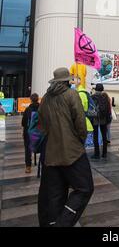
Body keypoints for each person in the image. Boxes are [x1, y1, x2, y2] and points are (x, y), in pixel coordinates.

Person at [38, 67, 94, 227]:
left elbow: (41, 125)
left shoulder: (45, 98)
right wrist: (79, 141)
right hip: (72, 153)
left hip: (50, 153)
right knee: (85, 188)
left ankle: (54, 222)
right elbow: (81, 124)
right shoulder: (71, 94)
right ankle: (63, 222)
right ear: (66, 81)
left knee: (56, 194)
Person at [91, 84, 111, 159]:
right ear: (102, 89)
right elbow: (108, 109)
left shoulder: (92, 97)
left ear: (96, 89)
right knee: (104, 136)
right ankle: (104, 153)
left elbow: (91, 108)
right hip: (104, 119)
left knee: (95, 136)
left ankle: (97, 154)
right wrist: (108, 119)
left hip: (95, 118)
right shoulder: (105, 97)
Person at [21, 93, 40, 174]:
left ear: (31, 100)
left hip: (29, 133)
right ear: (38, 99)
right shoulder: (42, 109)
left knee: (28, 149)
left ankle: (28, 167)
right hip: (40, 133)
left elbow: (23, 123)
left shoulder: (27, 110)